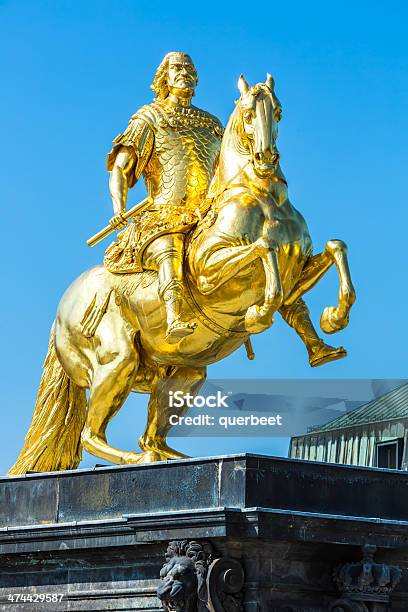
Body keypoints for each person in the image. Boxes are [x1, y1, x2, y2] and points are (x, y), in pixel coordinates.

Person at [104, 52, 223, 343]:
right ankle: (174, 315)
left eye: (189, 68)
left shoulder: (212, 124)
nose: (184, 72)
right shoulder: (150, 117)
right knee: (171, 246)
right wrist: (119, 207)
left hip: (207, 217)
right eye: (177, 68)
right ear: (164, 78)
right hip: (163, 216)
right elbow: (121, 168)